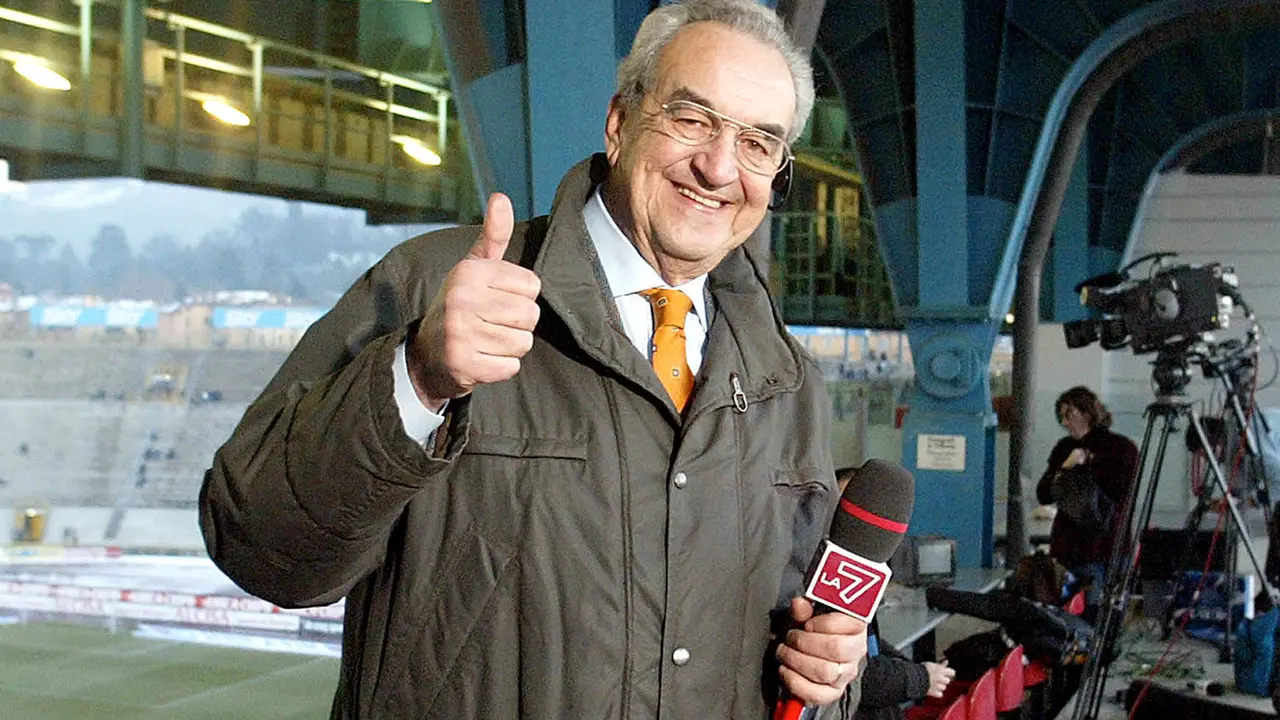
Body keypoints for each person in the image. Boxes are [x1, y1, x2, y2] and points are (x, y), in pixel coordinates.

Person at [199, 1, 869, 717]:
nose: (718, 166)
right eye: (692, 119)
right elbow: (262, 547)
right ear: (620, 124)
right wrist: (416, 379)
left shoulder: (788, 382)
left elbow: (804, 638)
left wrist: (833, 672)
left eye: (759, 143)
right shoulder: (436, 286)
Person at [1035, 386, 1138, 620]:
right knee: (1088, 614)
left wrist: (1080, 470)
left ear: (1085, 413)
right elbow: (1044, 493)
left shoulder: (1122, 449)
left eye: (1069, 414)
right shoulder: (1065, 448)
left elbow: (1118, 493)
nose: (1065, 422)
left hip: (1099, 544)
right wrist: (1067, 466)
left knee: (1093, 614)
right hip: (1083, 546)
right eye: (1062, 416)